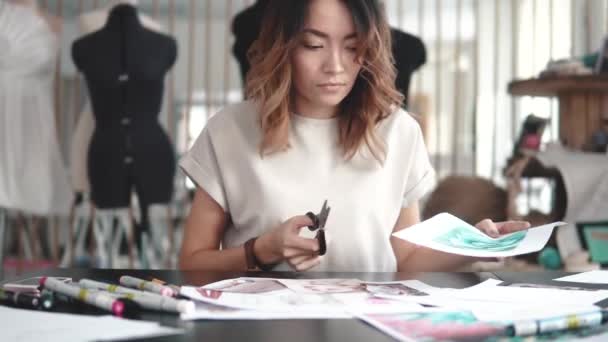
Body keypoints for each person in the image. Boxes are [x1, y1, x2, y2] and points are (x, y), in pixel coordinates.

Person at [179, 0, 530, 272]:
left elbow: (403, 259)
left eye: (352, 47)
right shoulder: (229, 130)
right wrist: (260, 251)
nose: (335, 66)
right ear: (283, 47)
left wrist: (472, 244)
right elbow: (191, 266)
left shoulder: (399, 132)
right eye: (314, 45)